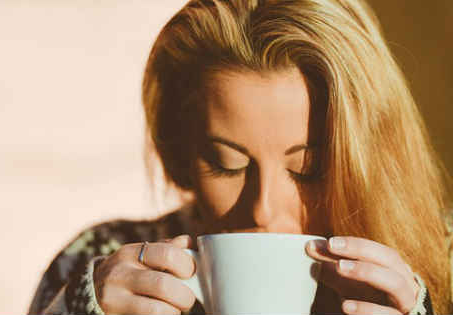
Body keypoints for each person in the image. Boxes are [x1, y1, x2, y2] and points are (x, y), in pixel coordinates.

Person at [27, 0, 453, 314]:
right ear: (181, 152)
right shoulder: (99, 258)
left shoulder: (445, 256)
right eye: (226, 164)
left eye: (309, 168)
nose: (263, 210)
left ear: (373, 154)